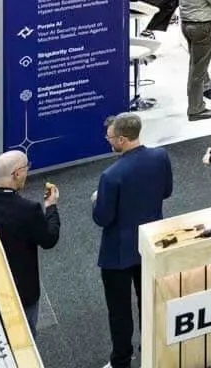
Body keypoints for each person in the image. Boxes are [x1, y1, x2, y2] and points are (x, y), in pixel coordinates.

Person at [92, 112, 174, 368]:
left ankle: (122, 360)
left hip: (117, 254)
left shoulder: (111, 175)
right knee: (149, 302)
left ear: (124, 139)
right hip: (150, 245)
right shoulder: (161, 157)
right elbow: (167, 191)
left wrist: (97, 200)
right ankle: (151, 349)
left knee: (120, 312)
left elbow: (103, 218)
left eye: (111, 138)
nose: (109, 142)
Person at [0, 150, 61, 327]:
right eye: (27, 168)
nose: (28, 172)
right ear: (17, 174)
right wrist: (51, 208)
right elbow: (49, 239)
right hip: (23, 290)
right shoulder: (28, 209)